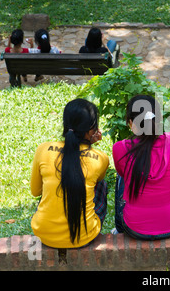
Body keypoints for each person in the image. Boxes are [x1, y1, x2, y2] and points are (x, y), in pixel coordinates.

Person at [30, 98, 109, 248]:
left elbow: (36, 191)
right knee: (100, 183)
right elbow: (93, 176)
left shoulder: (43, 149)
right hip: (85, 236)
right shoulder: (100, 158)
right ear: (92, 128)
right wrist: (90, 145)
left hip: (44, 234)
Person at [112, 95, 170, 240]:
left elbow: (122, 172)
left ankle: (119, 229)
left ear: (130, 123)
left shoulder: (120, 148)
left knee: (121, 176)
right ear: (158, 120)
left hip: (135, 228)